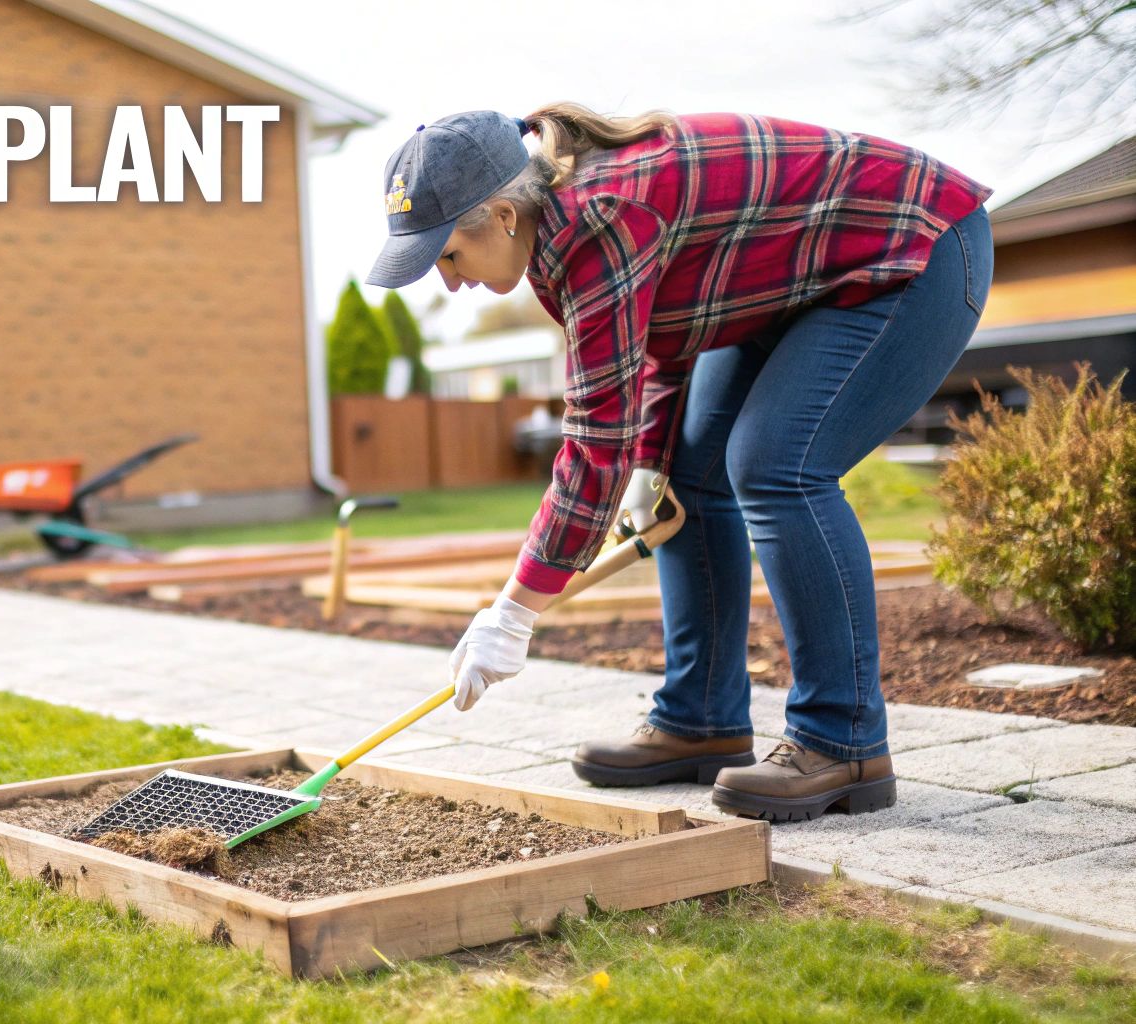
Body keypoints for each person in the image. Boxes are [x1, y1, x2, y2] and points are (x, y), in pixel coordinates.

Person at [365, 105, 992, 822]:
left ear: (505, 216)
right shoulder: (552, 229)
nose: (448, 282)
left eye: (448, 255)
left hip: (914, 247)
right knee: (687, 480)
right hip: (790, 281)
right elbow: (664, 342)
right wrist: (649, 471)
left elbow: (596, 437)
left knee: (774, 465)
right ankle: (701, 721)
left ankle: (842, 738)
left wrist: (515, 610)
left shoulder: (595, 216)